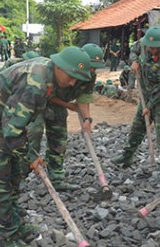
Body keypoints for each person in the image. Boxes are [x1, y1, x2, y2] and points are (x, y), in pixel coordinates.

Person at [0, 46, 91, 247]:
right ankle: (8, 236)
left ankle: (15, 222)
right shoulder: (35, 83)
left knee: (14, 176)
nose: (74, 82)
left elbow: (15, 127)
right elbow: (13, 130)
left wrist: (28, 154)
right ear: (59, 66)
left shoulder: (49, 75)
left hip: (4, 123)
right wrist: (31, 155)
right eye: (72, 76)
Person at [26, 44, 104, 191]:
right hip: (38, 102)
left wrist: (87, 120)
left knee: (59, 140)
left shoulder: (89, 76)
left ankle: (56, 178)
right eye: (91, 67)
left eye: (95, 68)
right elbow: (48, 95)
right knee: (33, 135)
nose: (92, 71)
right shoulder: (59, 69)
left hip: (58, 107)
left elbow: (84, 97)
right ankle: (20, 176)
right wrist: (69, 106)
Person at [112, 27, 160, 179]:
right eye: (150, 46)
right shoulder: (141, 44)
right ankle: (127, 156)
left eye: (155, 48)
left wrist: (149, 106)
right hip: (145, 94)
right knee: (137, 126)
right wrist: (134, 61)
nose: (152, 49)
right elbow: (133, 51)